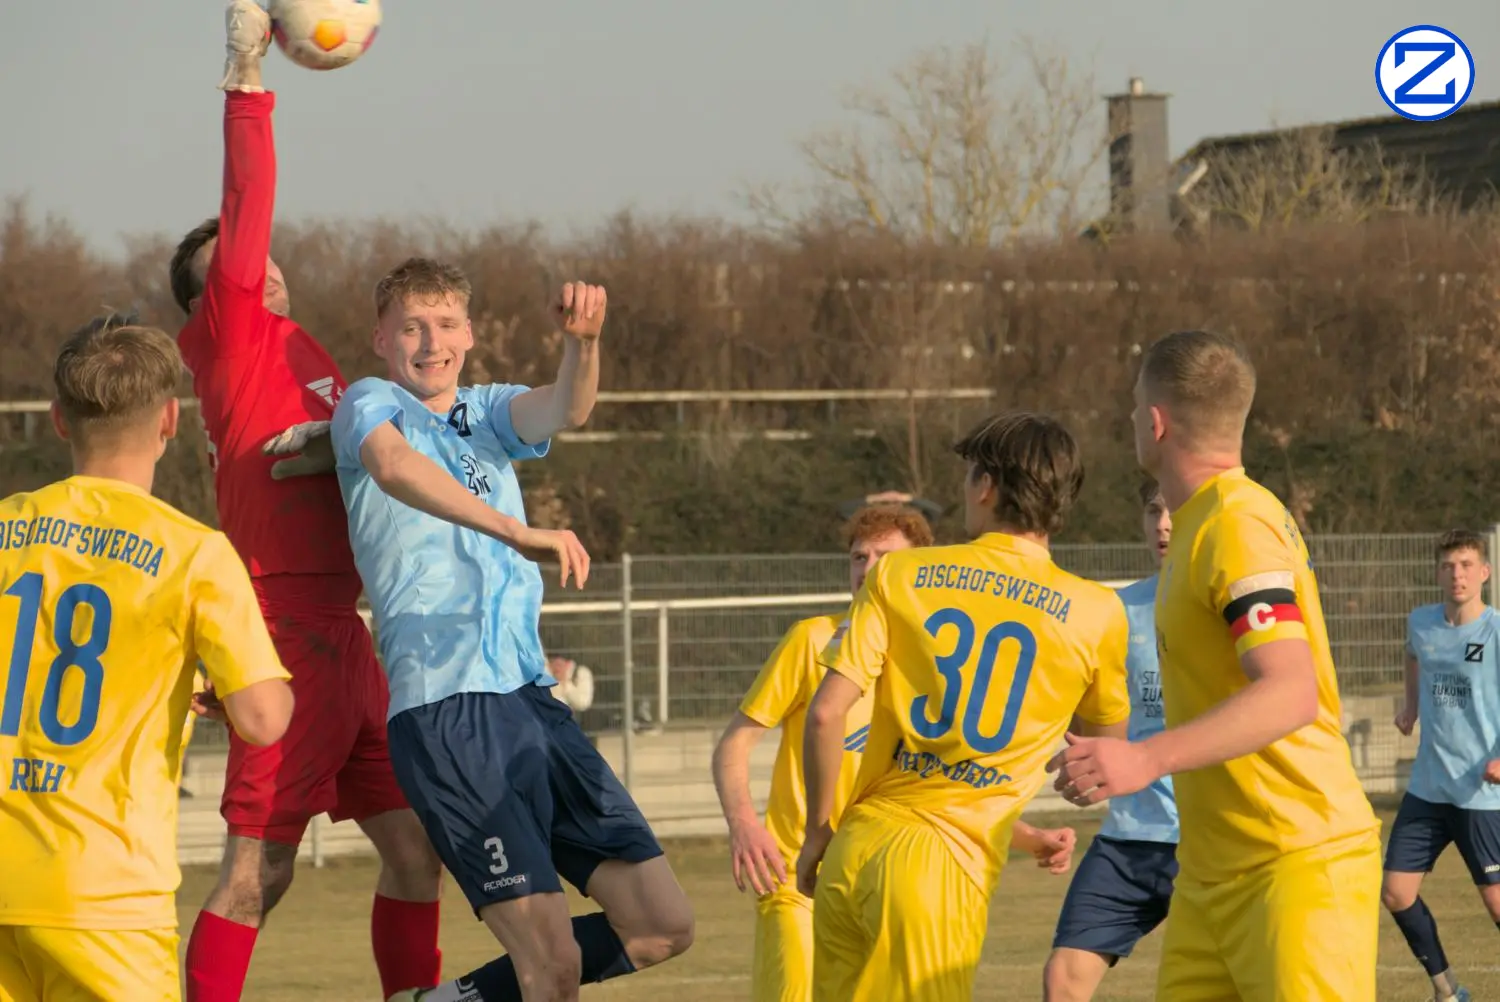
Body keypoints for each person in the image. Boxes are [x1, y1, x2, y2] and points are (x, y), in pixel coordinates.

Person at [167, 6, 444, 999]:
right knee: (258, 874)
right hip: (284, 625)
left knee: (416, 854)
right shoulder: (232, 337)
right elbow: (248, 198)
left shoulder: (305, 353)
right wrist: (247, 80)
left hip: (349, 633)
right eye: (238, 264)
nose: (261, 267)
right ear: (212, 297)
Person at [331, 257, 694, 1002]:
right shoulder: (368, 403)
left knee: (661, 924)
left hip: (532, 702)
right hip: (448, 709)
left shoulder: (487, 412)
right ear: (380, 339)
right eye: (411, 327)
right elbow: (395, 467)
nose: (430, 341)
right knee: (551, 967)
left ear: (469, 332)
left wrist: (583, 344)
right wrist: (514, 531)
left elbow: (565, 407)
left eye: (445, 324)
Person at [1050, 329, 1381, 1001]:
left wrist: (1144, 759)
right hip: (1209, 878)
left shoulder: (1236, 521)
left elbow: (1291, 691)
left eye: (1133, 405)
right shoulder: (1202, 522)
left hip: (1294, 865)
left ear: (1156, 421)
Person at [0, 315, 294, 1001]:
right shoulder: (193, 553)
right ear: (169, 419)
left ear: (58, 420)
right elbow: (264, 717)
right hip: (105, 891)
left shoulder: (6, 525)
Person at [796, 413, 1131, 1002]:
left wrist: (818, 833)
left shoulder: (900, 572)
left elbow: (826, 715)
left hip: (857, 841)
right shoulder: (1096, 610)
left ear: (985, 486)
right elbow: (1105, 752)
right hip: (942, 868)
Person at [715, 502, 1080, 1002]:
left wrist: (1031, 838)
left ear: (920, 568)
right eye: (858, 558)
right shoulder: (813, 640)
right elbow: (734, 743)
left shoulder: (930, 663)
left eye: (884, 557)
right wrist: (743, 822)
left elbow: (936, 789)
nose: (867, 570)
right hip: (799, 880)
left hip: (886, 879)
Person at [1043, 480, 1178, 1001]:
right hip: (1130, 839)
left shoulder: (1231, 605)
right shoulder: (1116, 611)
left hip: (1215, 840)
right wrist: (1081, 760)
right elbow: (1094, 714)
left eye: (1173, 511)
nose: (1163, 524)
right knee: (1064, 978)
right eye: (1152, 510)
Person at [1383, 529, 1500, 1002]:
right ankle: (1447, 993)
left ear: (1485, 573)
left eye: (1467, 565)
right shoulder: (1421, 622)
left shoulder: (1495, 631)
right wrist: (1410, 705)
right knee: (1396, 893)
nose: (1458, 574)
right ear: (1438, 572)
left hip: (1481, 792)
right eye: (1449, 566)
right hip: (1429, 787)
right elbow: (1413, 655)